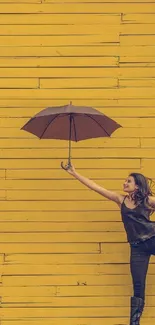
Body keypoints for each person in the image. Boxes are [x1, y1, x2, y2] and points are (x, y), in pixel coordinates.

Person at [61, 162, 155, 325]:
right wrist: (74, 173)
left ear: (138, 186)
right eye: (125, 181)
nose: (125, 183)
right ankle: (134, 322)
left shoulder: (148, 200)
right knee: (138, 284)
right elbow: (96, 187)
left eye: (129, 181)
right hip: (137, 247)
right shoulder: (120, 199)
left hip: (153, 239)